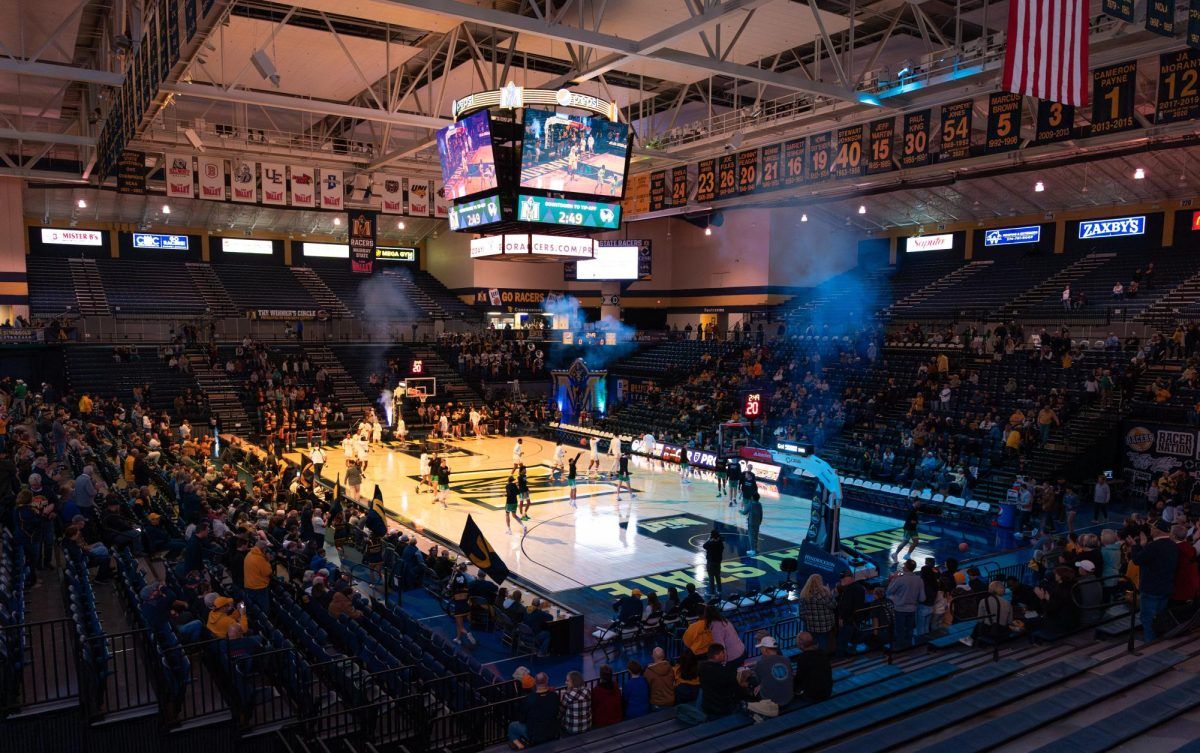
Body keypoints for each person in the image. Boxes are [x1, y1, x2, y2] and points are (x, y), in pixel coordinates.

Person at [1132, 521, 1180, 642]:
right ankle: (1158, 641)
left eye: (1152, 528)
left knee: (1147, 618)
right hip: (1166, 587)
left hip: (1151, 588)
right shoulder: (1173, 545)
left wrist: (1135, 546)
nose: (1151, 530)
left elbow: (1137, 560)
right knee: (1159, 617)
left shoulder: (1153, 546)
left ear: (1158, 530)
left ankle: (1150, 643)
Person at [698, 643, 753, 719]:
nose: (724, 655)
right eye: (722, 653)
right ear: (716, 655)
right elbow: (736, 689)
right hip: (723, 708)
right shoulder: (724, 671)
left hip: (707, 706)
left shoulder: (701, 668)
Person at [506, 672, 559, 749]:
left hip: (535, 734)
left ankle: (520, 747)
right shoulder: (554, 696)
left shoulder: (529, 699)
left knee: (512, 726)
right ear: (547, 681)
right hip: (552, 732)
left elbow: (522, 719)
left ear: (535, 682)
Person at [885, 559, 925, 649]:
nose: (903, 566)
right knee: (909, 630)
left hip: (900, 609)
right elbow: (922, 598)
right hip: (912, 610)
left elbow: (889, 591)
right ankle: (908, 648)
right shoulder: (919, 580)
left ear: (906, 567)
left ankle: (900, 649)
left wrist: (893, 579)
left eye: (904, 565)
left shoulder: (900, 579)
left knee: (899, 631)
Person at [749, 635, 794, 709]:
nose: (761, 651)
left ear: (765, 650)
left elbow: (758, 681)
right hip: (788, 698)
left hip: (772, 702)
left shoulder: (760, 664)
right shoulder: (786, 660)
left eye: (761, 649)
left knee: (752, 687)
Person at [798, 574, 837, 652]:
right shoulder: (824, 593)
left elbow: (802, 613)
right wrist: (831, 595)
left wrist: (808, 620)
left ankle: (812, 658)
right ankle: (822, 659)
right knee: (823, 643)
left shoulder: (804, 594)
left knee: (810, 644)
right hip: (825, 625)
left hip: (811, 625)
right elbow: (833, 605)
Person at [790, 631, 833, 702]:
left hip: (812, 695)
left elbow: (799, 679)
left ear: (801, 644)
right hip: (827, 692)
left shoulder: (803, 658)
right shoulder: (822, 653)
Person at [835, 570, 867, 655]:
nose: (842, 580)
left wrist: (841, 618)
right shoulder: (860, 588)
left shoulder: (849, 589)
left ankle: (841, 656)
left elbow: (846, 607)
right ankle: (851, 653)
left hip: (849, 620)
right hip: (857, 618)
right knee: (854, 639)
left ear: (850, 578)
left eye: (844, 578)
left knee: (842, 640)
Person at [242, 540, 273, 614]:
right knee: (264, 610)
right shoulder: (260, 559)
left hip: (248, 585)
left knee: (253, 608)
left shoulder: (249, 554)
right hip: (259, 587)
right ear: (264, 549)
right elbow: (268, 572)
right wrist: (268, 560)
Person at [559, 670, 592, 736]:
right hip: (587, 725)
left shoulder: (568, 695)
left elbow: (561, 711)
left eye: (568, 681)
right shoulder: (587, 691)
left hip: (572, 728)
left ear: (574, 682)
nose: (566, 682)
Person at [741, 475, 763, 555]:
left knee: (751, 536)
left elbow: (744, 512)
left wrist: (740, 511)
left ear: (753, 498)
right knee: (756, 536)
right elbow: (761, 514)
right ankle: (755, 548)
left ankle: (752, 550)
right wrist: (760, 522)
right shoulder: (759, 504)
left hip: (751, 523)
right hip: (757, 523)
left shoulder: (750, 504)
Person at [703, 528, 724, 595]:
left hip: (711, 562)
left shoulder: (710, 543)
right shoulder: (720, 543)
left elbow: (704, 546)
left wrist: (709, 539)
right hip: (718, 562)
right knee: (717, 576)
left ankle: (712, 592)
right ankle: (719, 590)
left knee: (711, 577)